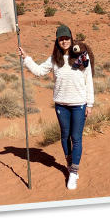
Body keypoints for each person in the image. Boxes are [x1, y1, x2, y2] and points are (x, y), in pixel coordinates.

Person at [19, 25, 94, 190]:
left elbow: (89, 80)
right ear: (57, 41)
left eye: (67, 38)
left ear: (71, 39)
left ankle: (73, 173)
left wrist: (89, 103)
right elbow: (39, 71)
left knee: (77, 138)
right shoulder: (54, 59)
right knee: (64, 136)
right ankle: (69, 163)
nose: (64, 41)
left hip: (78, 105)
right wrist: (26, 58)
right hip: (61, 104)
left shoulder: (82, 56)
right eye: (61, 39)